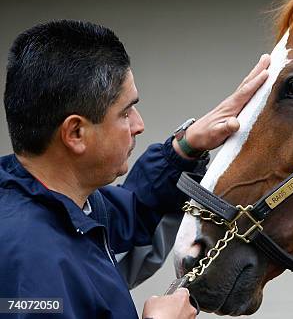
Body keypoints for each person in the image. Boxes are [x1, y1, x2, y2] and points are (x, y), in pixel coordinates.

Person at [0, 20, 270, 318]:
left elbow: (134, 212)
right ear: (75, 133)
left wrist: (185, 148)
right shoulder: (30, 265)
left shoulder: (65, 206)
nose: (139, 125)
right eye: (125, 112)